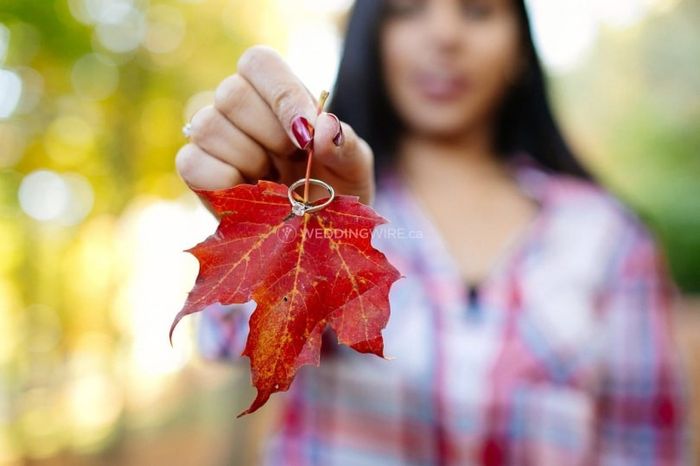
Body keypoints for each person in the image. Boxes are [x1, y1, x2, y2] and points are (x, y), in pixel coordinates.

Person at [176, 0, 692, 464]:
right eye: (407, 8)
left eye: (478, 10)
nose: (445, 34)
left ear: (519, 51)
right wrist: (278, 226)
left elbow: (644, 445)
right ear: (371, 40)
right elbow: (227, 339)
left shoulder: (606, 238)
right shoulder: (327, 203)